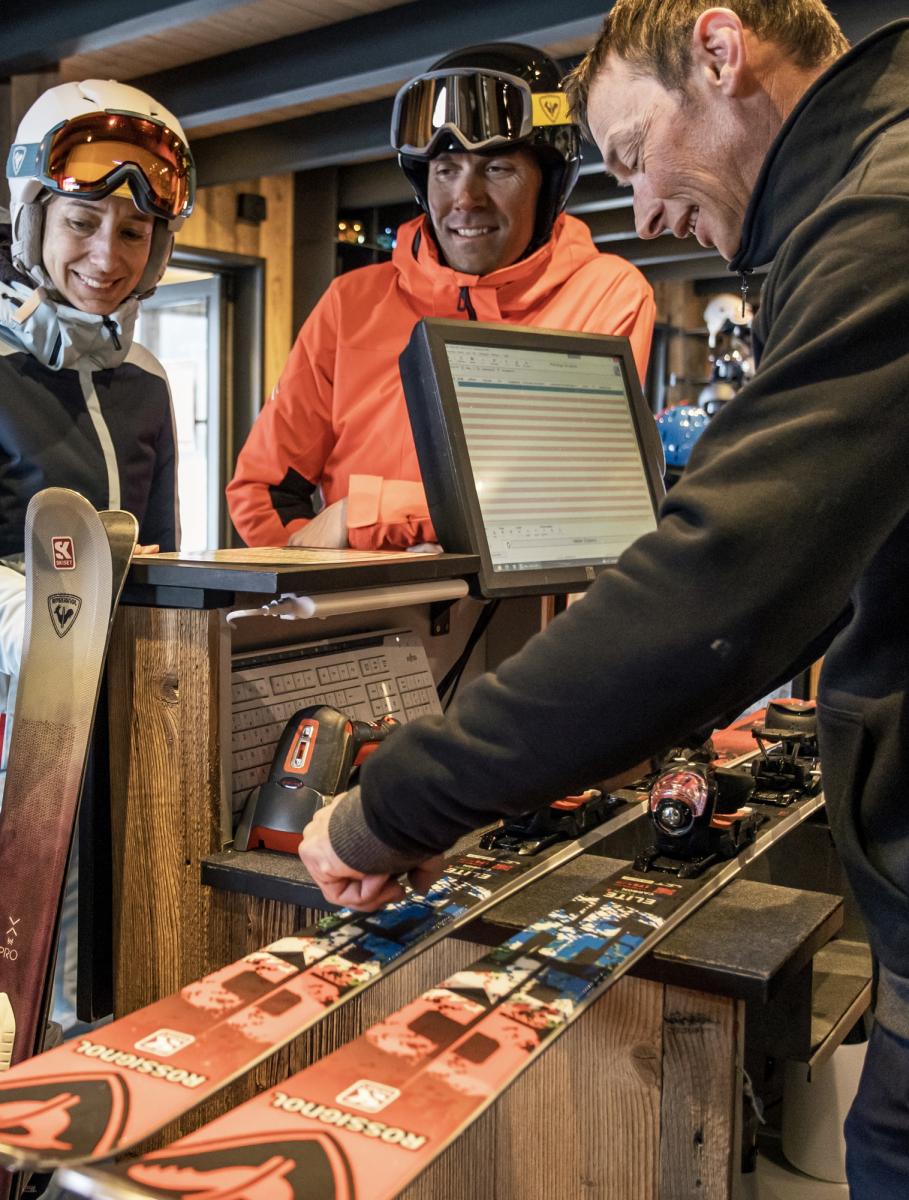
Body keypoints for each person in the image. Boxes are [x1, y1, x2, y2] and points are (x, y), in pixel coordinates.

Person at [298, 4, 909, 1192]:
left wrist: (393, 808)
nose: (646, 213)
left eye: (633, 155)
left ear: (720, 52)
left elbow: (721, 585)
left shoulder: (883, 214)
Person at [226, 43, 655, 551]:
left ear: (550, 185)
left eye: (497, 169)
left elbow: (565, 498)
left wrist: (364, 515)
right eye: (446, 169)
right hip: (369, 623)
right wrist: (327, 590)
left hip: (535, 623)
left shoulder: (607, 295)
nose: (466, 199)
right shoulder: (351, 304)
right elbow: (265, 490)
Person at [0, 78, 195, 797]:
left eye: (133, 232)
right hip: (14, 717)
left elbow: (164, 549)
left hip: (122, 709)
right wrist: (45, 627)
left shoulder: (146, 377)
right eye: (81, 222)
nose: (107, 258)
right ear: (33, 226)